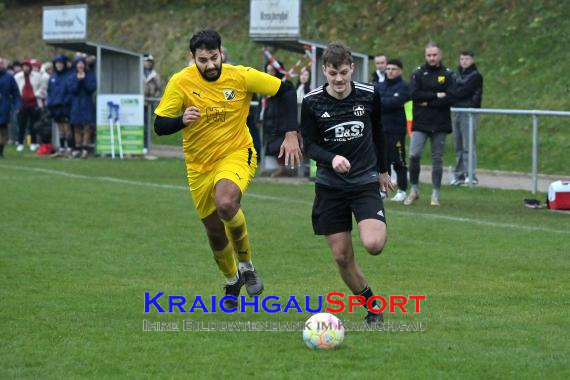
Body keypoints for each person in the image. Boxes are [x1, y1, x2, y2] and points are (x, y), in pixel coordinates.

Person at [153, 30, 302, 309]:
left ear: (221, 53)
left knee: (225, 203)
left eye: (213, 57)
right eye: (202, 60)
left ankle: (247, 265)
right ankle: (233, 278)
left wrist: (291, 133)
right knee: (214, 232)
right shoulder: (181, 82)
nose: (209, 65)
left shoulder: (240, 76)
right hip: (198, 166)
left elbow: (286, 89)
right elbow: (159, 125)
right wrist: (181, 120)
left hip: (236, 153)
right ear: (192, 58)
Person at [301, 42, 395, 325]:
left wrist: (382, 170)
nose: (339, 79)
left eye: (343, 72)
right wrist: (332, 159)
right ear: (324, 71)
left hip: (364, 182)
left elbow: (379, 131)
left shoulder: (368, 95)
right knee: (342, 256)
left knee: (374, 244)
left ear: (352, 68)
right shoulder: (312, 101)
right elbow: (309, 146)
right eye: (333, 73)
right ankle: (372, 306)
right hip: (330, 187)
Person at [404, 42, 455, 206]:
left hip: (440, 123)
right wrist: (436, 96)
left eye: (434, 55)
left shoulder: (447, 74)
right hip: (420, 122)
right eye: (429, 55)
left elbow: (451, 98)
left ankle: (435, 194)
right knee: (414, 155)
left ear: (440, 55)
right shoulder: (418, 73)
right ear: (425, 56)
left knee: (437, 158)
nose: (432, 58)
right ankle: (414, 190)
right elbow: (414, 94)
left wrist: (427, 101)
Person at [376, 58, 411, 202]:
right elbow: (375, 101)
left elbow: (394, 102)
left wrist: (383, 101)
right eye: (388, 69)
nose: (390, 71)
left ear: (400, 71)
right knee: (382, 161)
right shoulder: (379, 85)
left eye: (393, 69)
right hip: (381, 129)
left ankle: (402, 190)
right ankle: (384, 190)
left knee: (399, 161)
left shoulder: (404, 86)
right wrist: (385, 101)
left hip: (397, 130)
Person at [451, 50, 483, 186]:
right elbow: (451, 89)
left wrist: (454, 94)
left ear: (472, 60)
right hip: (456, 111)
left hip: (469, 111)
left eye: (467, 59)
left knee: (468, 145)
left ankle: (471, 175)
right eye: (462, 59)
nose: (464, 61)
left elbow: (464, 91)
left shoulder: (476, 76)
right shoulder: (455, 74)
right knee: (458, 145)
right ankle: (459, 175)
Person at [260, 61, 297, 177]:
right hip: (270, 123)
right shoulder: (263, 85)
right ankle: (282, 169)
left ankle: (287, 169)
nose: (270, 72)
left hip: (282, 122)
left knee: (281, 145)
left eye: (272, 70)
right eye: (268, 70)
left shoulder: (286, 85)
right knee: (272, 146)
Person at [67, 57, 96, 158]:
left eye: (82, 64)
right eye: (78, 64)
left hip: (87, 103)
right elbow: (72, 89)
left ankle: (85, 148)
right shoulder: (72, 76)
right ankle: (77, 148)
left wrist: (83, 80)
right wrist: (79, 81)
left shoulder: (90, 75)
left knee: (88, 126)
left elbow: (91, 88)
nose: (80, 66)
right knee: (76, 126)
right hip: (76, 104)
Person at [14, 59, 43, 152]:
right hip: (22, 103)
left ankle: (33, 142)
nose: (25, 68)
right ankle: (20, 142)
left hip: (33, 103)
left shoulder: (37, 76)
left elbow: (42, 87)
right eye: (24, 66)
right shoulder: (17, 77)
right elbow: (15, 89)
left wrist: (35, 94)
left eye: (27, 66)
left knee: (33, 124)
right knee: (21, 124)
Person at [47, 54, 72, 155]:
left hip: (65, 106)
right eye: (57, 63)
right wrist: (50, 102)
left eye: (61, 63)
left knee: (67, 127)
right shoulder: (52, 77)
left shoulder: (69, 76)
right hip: (55, 106)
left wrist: (65, 101)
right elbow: (49, 91)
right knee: (60, 128)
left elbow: (70, 91)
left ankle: (69, 147)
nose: (59, 65)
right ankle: (61, 147)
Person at [0, 57, 21, 158]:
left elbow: (16, 93)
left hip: (4, 106)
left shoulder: (9, 77)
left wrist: (17, 105)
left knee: (3, 129)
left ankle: (1, 150)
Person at [143, 54, 162, 153]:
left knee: (147, 125)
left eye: (150, 62)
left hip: (149, 103)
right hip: (138, 103)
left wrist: (154, 94)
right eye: (146, 61)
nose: (148, 63)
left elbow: (158, 89)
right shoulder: (138, 72)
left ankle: (145, 146)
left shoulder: (154, 75)